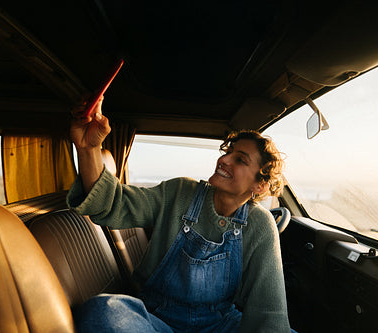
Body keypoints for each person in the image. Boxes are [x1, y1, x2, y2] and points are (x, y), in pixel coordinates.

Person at [67, 98, 294, 332]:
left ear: (260, 186)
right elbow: (111, 204)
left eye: (240, 160)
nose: (224, 159)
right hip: (157, 319)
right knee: (105, 310)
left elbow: (269, 313)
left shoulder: (260, 224)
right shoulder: (179, 193)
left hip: (220, 324)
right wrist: (88, 148)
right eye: (228, 152)